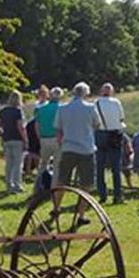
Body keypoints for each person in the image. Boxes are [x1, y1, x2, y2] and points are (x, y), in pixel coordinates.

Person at [53, 81, 100, 225]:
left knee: (62, 180)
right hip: (86, 149)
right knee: (86, 184)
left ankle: (56, 207)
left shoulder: (63, 108)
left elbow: (58, 128)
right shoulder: (90, 107)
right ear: (85, 93)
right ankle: (81, 215)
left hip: (68, 148)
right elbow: (96, 125)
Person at [94, 83, 127, 204]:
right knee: (116, 167)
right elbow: (121, 118)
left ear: (102, 91)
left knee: (100, 166)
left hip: (100, 134)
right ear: (112, 92)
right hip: (114, 134)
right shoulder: (116, 102)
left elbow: (94, 121)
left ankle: (102, 195)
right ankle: (117, 195)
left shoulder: (96, 103)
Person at [0, 90, 28, 194]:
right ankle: (17, 185)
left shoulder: (2, 111)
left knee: (9, 164)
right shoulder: (18, 111)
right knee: (18, 164)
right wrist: (25, 139)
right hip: (17, 139)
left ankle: (8, 185)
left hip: (6, 139)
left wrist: (1, 134)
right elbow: (21, 127)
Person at [36, 86, 63, 175]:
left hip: (44, 138)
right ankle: (54, 186)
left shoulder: (41, 109)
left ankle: (39, 185)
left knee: (43, 164)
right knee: (57, 165)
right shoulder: (61, 109)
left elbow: (37, 125)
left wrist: (39, 137)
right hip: (57, 138)